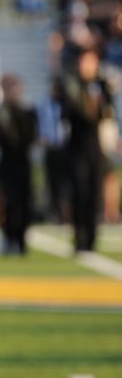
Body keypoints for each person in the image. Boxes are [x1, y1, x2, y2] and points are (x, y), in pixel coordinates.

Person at [56, 45, 117, 253]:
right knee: (79, 192)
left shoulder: (101, 85)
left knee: (94, 193)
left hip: (95, 146)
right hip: (76, 145)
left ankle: (91, 238)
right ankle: (79, 236)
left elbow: (107, 114)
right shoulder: (71, 84)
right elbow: (67, 112)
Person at [0, 75, 39, 255]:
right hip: (5, 164)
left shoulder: (27, 112)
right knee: (6, 203)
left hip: (22, 162)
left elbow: (30, 136)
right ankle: (7, 238)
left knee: (24, 202)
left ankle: (21, 241)